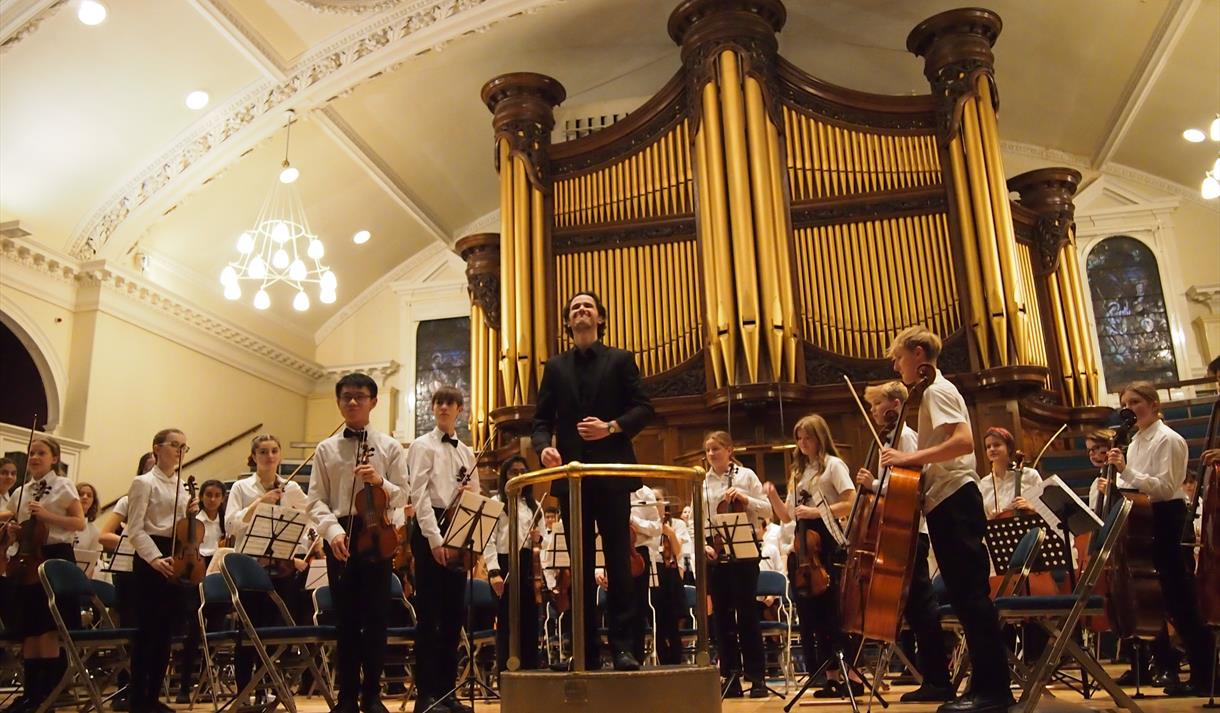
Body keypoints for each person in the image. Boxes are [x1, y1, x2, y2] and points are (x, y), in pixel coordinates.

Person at [871, 326, 1011, 713]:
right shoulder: (933, 392)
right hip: (947, 499)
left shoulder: (937, 390)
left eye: (899, 358)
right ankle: (984, 687)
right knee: (967, 599)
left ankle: (995, 692)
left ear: (918, 354)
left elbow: (965, 442)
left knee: (971, 597)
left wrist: (907, 458)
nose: (897, 366)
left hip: (955, 498)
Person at [532, 290, 655, 672]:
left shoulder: (620, 359)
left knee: (619, 563)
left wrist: (612, 427)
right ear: (568, 322)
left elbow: (644, 408)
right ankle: (583, 651)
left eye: (588, 307)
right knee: (580, 566)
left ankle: (624, 648)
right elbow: (540, 422)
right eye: (574, 309)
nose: (581, 312)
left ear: (600, 318)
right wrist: (543, 450)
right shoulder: (554, 366)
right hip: (573, 479)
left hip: (613, 475)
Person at [1099, 381, 1215, 697]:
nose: (1129, 409)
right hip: (1144, 519)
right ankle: (1164, 667)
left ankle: (1205, 674)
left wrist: (1127, 471)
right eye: (1125, 403)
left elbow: (1165, 487)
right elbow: (1135, 486)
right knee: (1150, 597)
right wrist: (1114, 481)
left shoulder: (1169, 440)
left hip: (1167, 518)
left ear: (1153, 404)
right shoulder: (1134, 441)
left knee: (1180, 600)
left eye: (1135, 402)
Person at [307, 373, 409, 713]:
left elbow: (403, 495)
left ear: (373, 402)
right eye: (346, 397)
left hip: (377, 536)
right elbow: (316, 500)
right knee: (346, 620)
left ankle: (372, 694)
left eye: (359, 397)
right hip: (342, 535)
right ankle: (347, 696)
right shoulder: (325, 448)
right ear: (339, 402)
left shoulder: (391, 447)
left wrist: (381, 481)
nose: (352, 402)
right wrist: (332, 532)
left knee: (377, 618)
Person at [854, 381, 952, 702]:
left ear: (895, 404)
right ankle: (932, 677)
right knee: (915, 609)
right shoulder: (893, 441)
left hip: (911, 531)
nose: (872, 411)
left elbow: (910, 486)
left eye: (876, 405)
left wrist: (873, 486)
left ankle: (938, 680)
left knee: (922, 608)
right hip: (902, 531)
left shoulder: (907, 438)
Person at [766, 416, 858, 699]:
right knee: (813, 618)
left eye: (807, 437)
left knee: (834, 614)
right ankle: (829, 676)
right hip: (804, 549)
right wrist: (772, 497)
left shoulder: (833, 465)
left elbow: (851, 500)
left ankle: (850, 675)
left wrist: (818, 512)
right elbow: (786, 516)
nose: (802, 443)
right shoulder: (799, 472)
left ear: (820, 437)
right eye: (799, 438)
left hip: (827, 544)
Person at [0, 435, 86, 713]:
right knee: (30, 630)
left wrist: (48, 516)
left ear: (54, 458)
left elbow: (79, 522)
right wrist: (13, 530)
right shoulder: (21, 491)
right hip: (27, 560)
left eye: (41, 453)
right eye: (32, 453)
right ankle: (30, 694)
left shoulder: (63, 485)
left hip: (55, 558)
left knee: (48, 629)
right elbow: (15, 523)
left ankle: (45, 697)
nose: (35, 457)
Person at [406, 385, 477, 713]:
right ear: (433, 409)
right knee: (430, 616)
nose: (444, 408)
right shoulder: (422, 446)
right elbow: (418, 495)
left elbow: (474, 497)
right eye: (439, 403)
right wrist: (434, 539)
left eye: (450, 403)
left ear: (459, 410)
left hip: (458, 526)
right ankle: (426, 695)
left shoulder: (467, 451)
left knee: (453, 617)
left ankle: (448, 692)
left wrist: (468, 539)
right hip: (430, 525)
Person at [126, 428, 196, 713]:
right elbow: (135, 529)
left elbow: (181, 529)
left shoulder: (180, 486)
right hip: (150, 558)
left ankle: (153, 697)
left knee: (165, 632)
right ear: (157, 448)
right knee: (148, 632)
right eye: (174, 445)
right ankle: (137, 699)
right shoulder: (143, 482)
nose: (180, 451)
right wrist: (154, 559)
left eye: (184, 446)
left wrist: (191, 514)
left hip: (174, 557)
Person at [701, 430, 770, 697]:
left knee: (747, 615)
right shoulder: (703, 481)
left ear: (730, 450)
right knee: (721, 617)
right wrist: (704, 544)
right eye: (707, 450)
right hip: (716, 551)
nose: (710, 454)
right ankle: (730, 677)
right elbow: (700, 518)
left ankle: (757, 677)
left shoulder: (747, 476)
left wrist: (745, 499)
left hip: (744, 549)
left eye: (716, 449)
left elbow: (766, 510)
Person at [483, 456, 542, 673]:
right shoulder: (496, 503)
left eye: (522, 472)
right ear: (505, 476)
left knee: (529, 622)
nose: (518, 476)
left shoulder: (535, 507)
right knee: (506, 622)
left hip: (528, 566)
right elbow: (488, 540)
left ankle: (529, 671)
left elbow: (542, 541)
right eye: (513, 472)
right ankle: (506, 674)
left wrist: (539, 538)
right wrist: (494, 572)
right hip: (504, 564)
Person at [649, 485, 685, 666]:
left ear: (664, 503)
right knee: (658, 625)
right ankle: (664, 662)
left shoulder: (677, 525)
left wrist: (670, 533)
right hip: (654, 574)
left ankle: (677, 662)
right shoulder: (647, 525)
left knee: (673, 625)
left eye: (657, 499)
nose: (654, 504)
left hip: (672, 576)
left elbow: (681, 554)